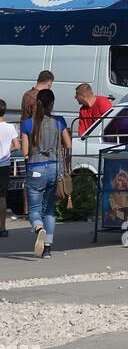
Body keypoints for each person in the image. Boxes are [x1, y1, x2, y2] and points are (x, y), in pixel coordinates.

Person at [20, 89, 71, 259]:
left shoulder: (28, 124)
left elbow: (25, 151)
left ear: (37, 104)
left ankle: (39, 228)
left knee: (34, 209)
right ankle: (47, 249)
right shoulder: (59, 122)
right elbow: (68, 145)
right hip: (55, 169)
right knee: (49, 209)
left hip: (35, 168)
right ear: (52, 104)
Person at [0, 100, 20, 239]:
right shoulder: (10, 127)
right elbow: (17, 146)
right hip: (4, 164)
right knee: (2, 197)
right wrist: (7, 150)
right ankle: (2, 227)